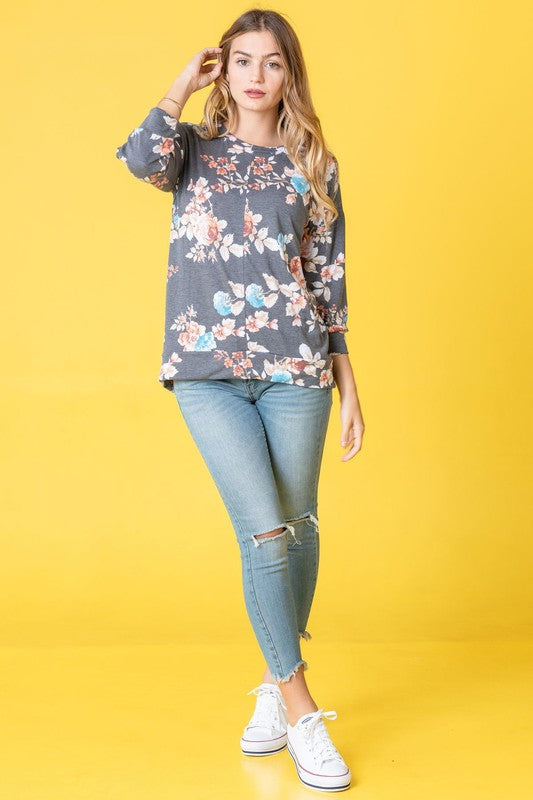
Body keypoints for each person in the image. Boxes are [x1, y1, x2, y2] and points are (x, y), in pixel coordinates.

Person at [115, 8, 364, 793]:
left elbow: (329, 282)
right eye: (242, 61)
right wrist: (180, 86)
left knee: (299, 524)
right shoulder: (190, 151)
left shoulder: (314, 165)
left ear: (290, 76)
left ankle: (268, 679)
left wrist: (349, 382)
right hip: (206, 369)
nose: (257, 75)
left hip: (297, 368)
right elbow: (138, 159)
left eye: (273, 63)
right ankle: (299, 708)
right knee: (263, 532)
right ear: (224, 71)